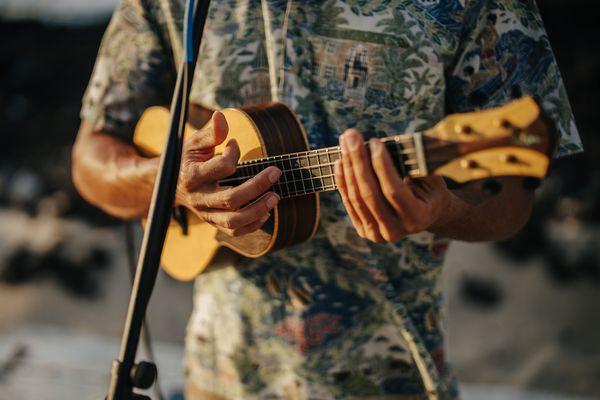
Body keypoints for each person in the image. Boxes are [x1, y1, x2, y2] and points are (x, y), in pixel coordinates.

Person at [72, 1, 582, 398]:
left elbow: (514, 201)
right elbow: (91, 156)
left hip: (391, 382)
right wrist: (166, 180)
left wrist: (443, 210)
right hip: (218, 375)